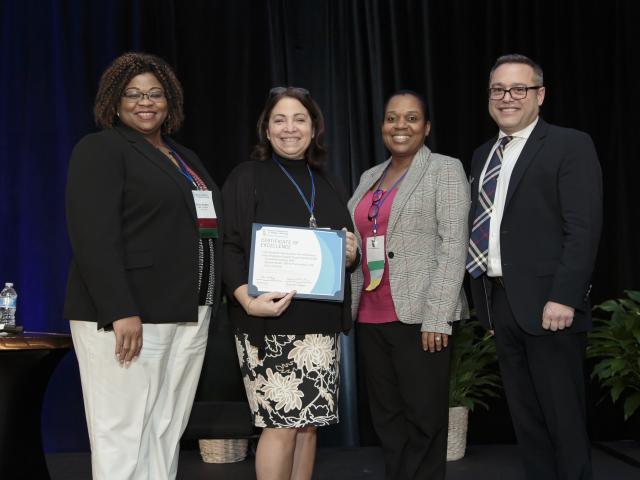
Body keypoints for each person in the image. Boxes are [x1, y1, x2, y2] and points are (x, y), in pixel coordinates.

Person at [64, 52, 223, 480]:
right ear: (114, 103)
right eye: (132, 94)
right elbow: (93, 236)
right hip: (128, 313)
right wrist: (119, 310)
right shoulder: (100, 148)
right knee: (121, 428)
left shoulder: (183, 156)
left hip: (187, 309)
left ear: (170, 100)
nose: (145, 102)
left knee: (165, 427)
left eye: (155, 93)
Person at [466, 54, 602, 480]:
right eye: (498, 90)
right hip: (502, 303)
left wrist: (564, 296)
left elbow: (583, 228)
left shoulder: (569, 144)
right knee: (527, 424)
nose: (507, 98)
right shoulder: (482, 154)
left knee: (563, 422)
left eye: (518, 89)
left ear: (539, 95)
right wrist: (486, 310)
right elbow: (483, 228)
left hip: (551, 307)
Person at [222, 86, 357, 480]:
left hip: (319, 327)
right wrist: (247, 300)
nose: (289, 128)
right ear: (266, 128)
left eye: (299, 119)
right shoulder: (247, 177)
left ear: (314, 127)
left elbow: (344, 250)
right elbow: (229, 246)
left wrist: (351, 255)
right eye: (279, 119)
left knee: (309, 425)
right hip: (268, 321)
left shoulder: (329, 182)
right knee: (279, 425)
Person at [348, 90, 470, 480]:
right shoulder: (370, 176)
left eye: (411, 118)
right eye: (392, 118)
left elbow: (453, 245)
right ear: (382, 125)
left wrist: (438, 318)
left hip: (420, 316)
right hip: (370, 314)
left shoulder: (444, 169)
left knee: (424, 418)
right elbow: (360, 240)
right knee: (387, 419)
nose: (400, 126)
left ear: (427, 126)